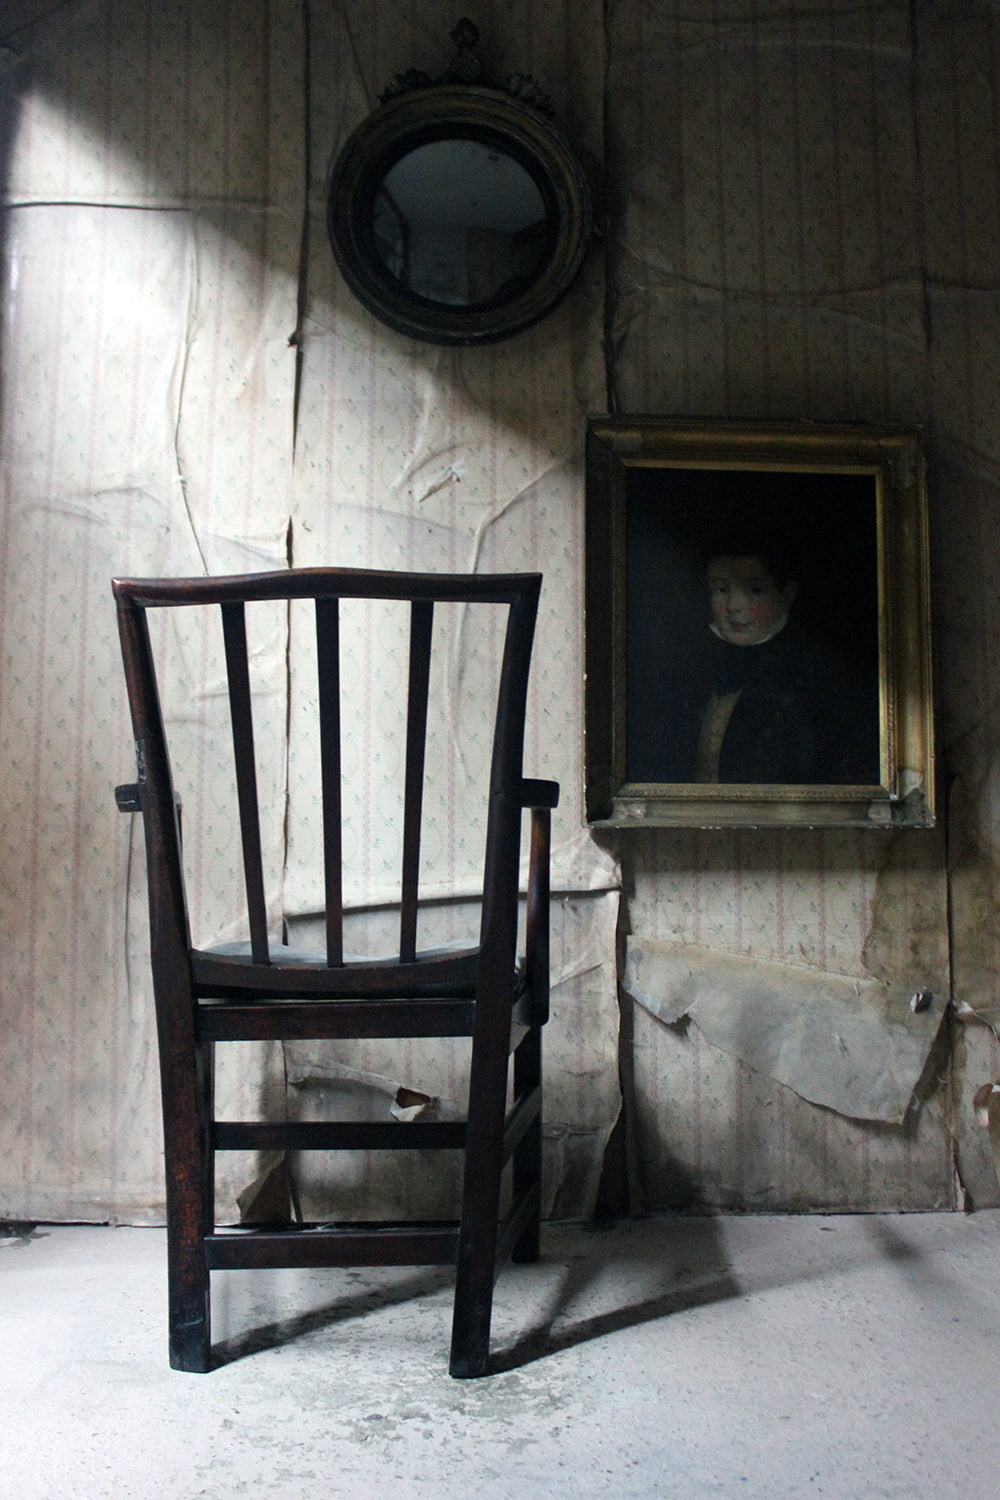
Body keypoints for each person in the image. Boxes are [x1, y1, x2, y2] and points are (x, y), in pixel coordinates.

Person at [627, 532, 878, 785]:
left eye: (755, 590)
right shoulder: (689, 668)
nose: (734, 605)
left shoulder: (816, 681)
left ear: (787, 595)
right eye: (721, 589)